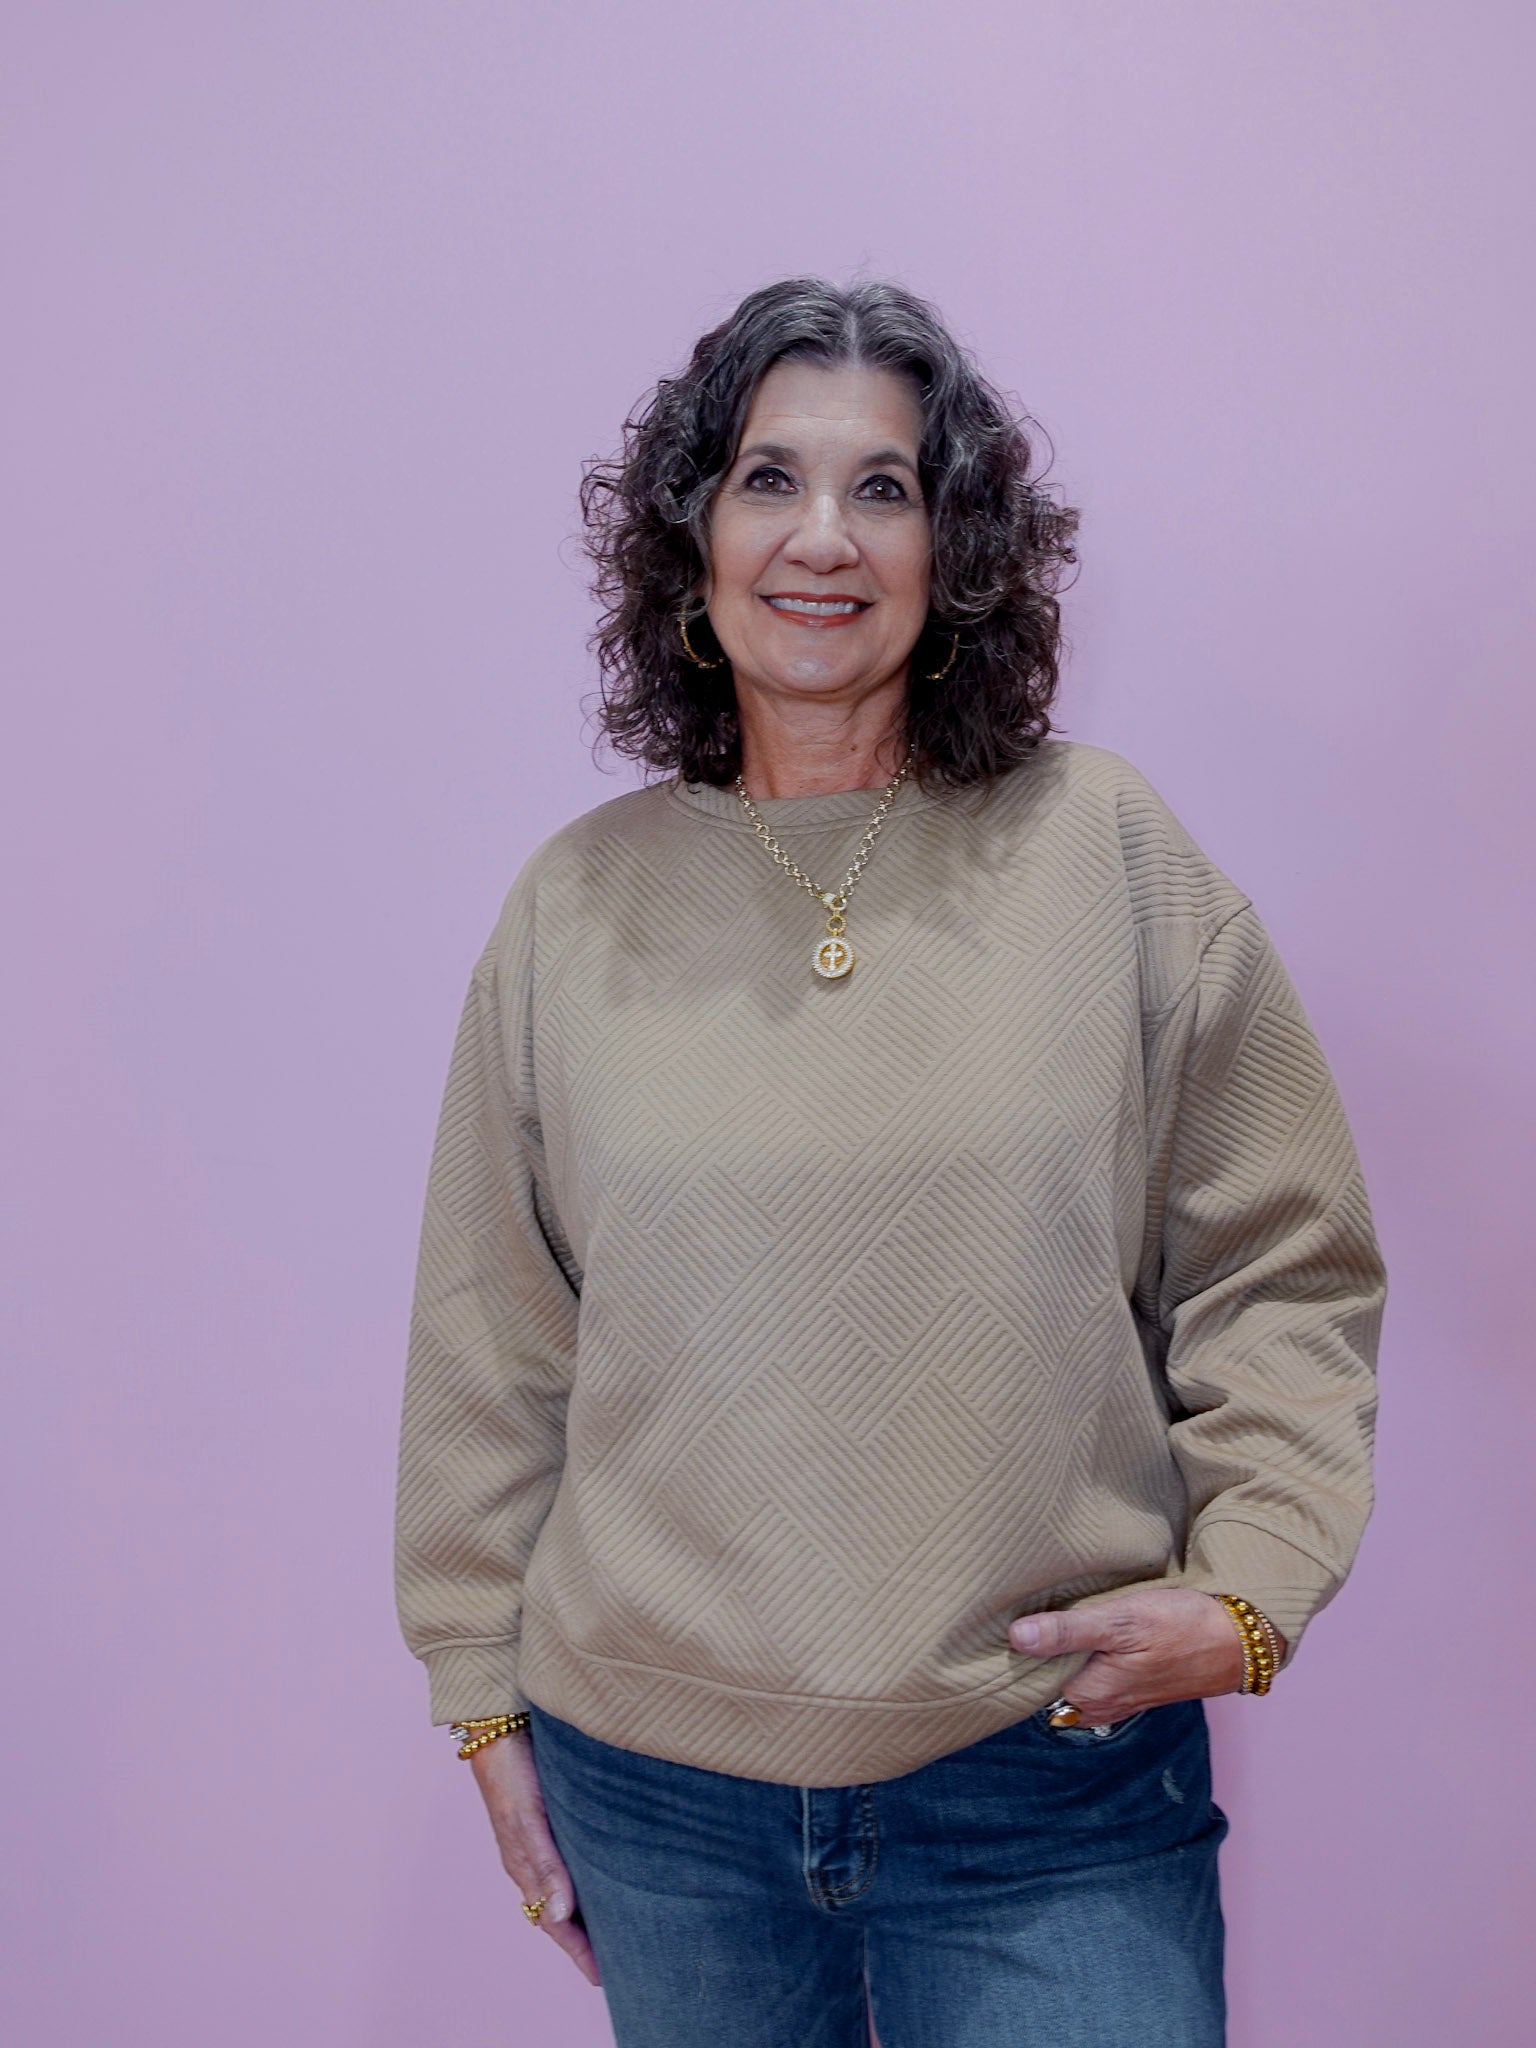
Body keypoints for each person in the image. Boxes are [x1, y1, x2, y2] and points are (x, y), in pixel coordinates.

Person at [393, 276, 1387, 2047]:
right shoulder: (577, 904)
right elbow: (497, 1336)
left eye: (886, 488)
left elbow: (1282, 1257)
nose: (822, 538)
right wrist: (478, 1690)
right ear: (693, 538)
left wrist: (1253, 1587)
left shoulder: (1105, 853)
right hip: (661, 1794)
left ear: (958, 551)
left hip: (1046, 1774)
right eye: (769, 479)